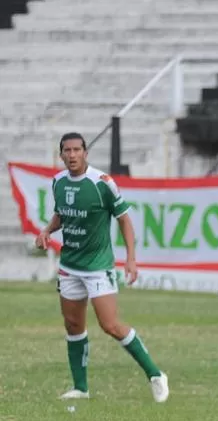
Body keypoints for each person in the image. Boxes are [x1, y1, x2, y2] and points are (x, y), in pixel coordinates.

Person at [34, 133, 169, 403]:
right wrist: (47, 230)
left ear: (86, 153)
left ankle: (155, 375)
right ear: (61, 155)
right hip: (70, 265)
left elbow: (124, 220)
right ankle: (81, 388)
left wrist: (131, 258)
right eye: (67, 151)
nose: (72, 155)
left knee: (110, 325)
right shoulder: (58, 182)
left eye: (77, 150)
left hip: (98, 266)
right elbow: (62, 212)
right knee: (73, 325)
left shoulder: (102, 183)